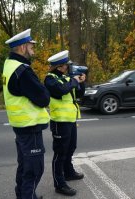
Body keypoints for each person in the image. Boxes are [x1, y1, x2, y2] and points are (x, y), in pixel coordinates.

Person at [2, 29, 50, 199]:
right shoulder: (23, 70)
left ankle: (22, 195)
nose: (33, 49)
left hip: (20, 126)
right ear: (23, 47)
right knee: (34, 170)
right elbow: (44, 98)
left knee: (24, 166)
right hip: (30, 127)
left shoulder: (9, 64)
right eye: (31, 46)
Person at [44, 50, 85, 196]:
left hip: (70, 119)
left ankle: (68, 172)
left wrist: (81, 82)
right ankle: (59, 184)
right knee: (60, 154)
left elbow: (79, 94)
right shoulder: (50, 79)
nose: (68, 68)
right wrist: (74, 81)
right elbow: (61, 90)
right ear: (59, 66)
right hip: (59, 121)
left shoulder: (67, 77)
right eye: (66, 66)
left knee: (71, 148)